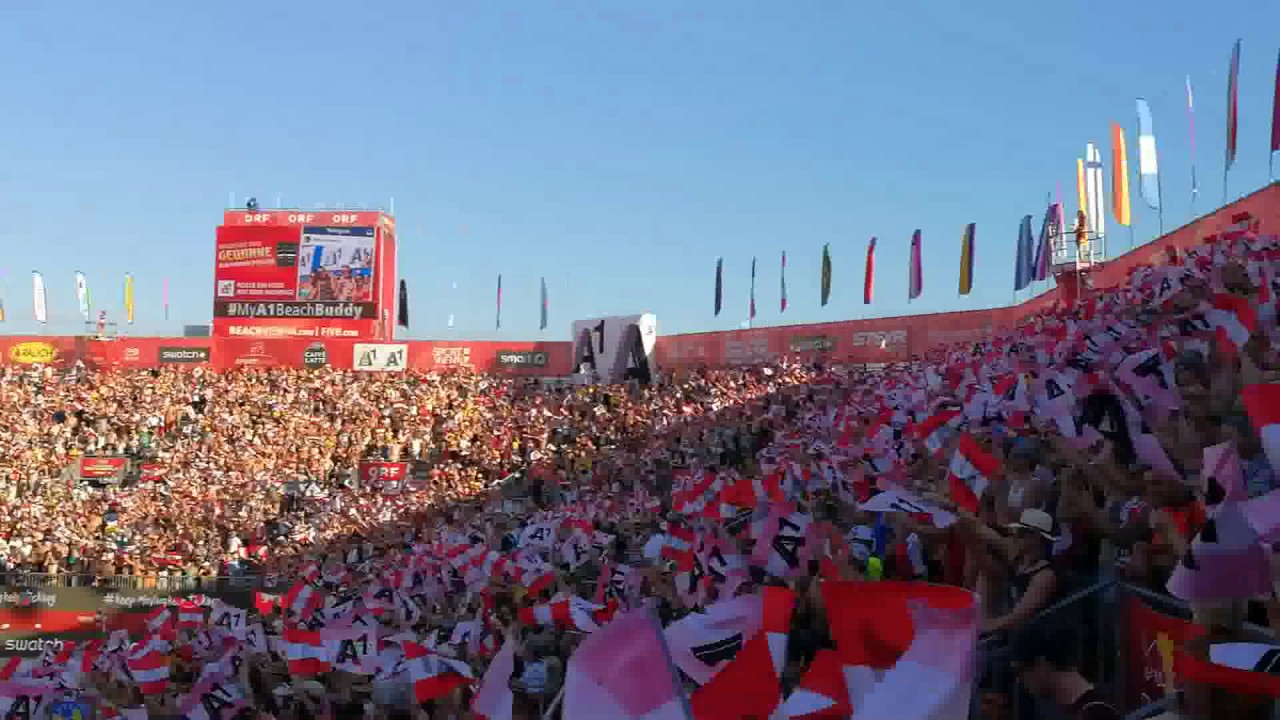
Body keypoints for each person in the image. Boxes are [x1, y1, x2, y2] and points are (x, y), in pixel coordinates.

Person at [1012, 623, 1121, 719]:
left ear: (1041, 663)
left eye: (1020, 670)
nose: (1019, 680)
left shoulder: (1096, 713)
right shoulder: (1078, 710)